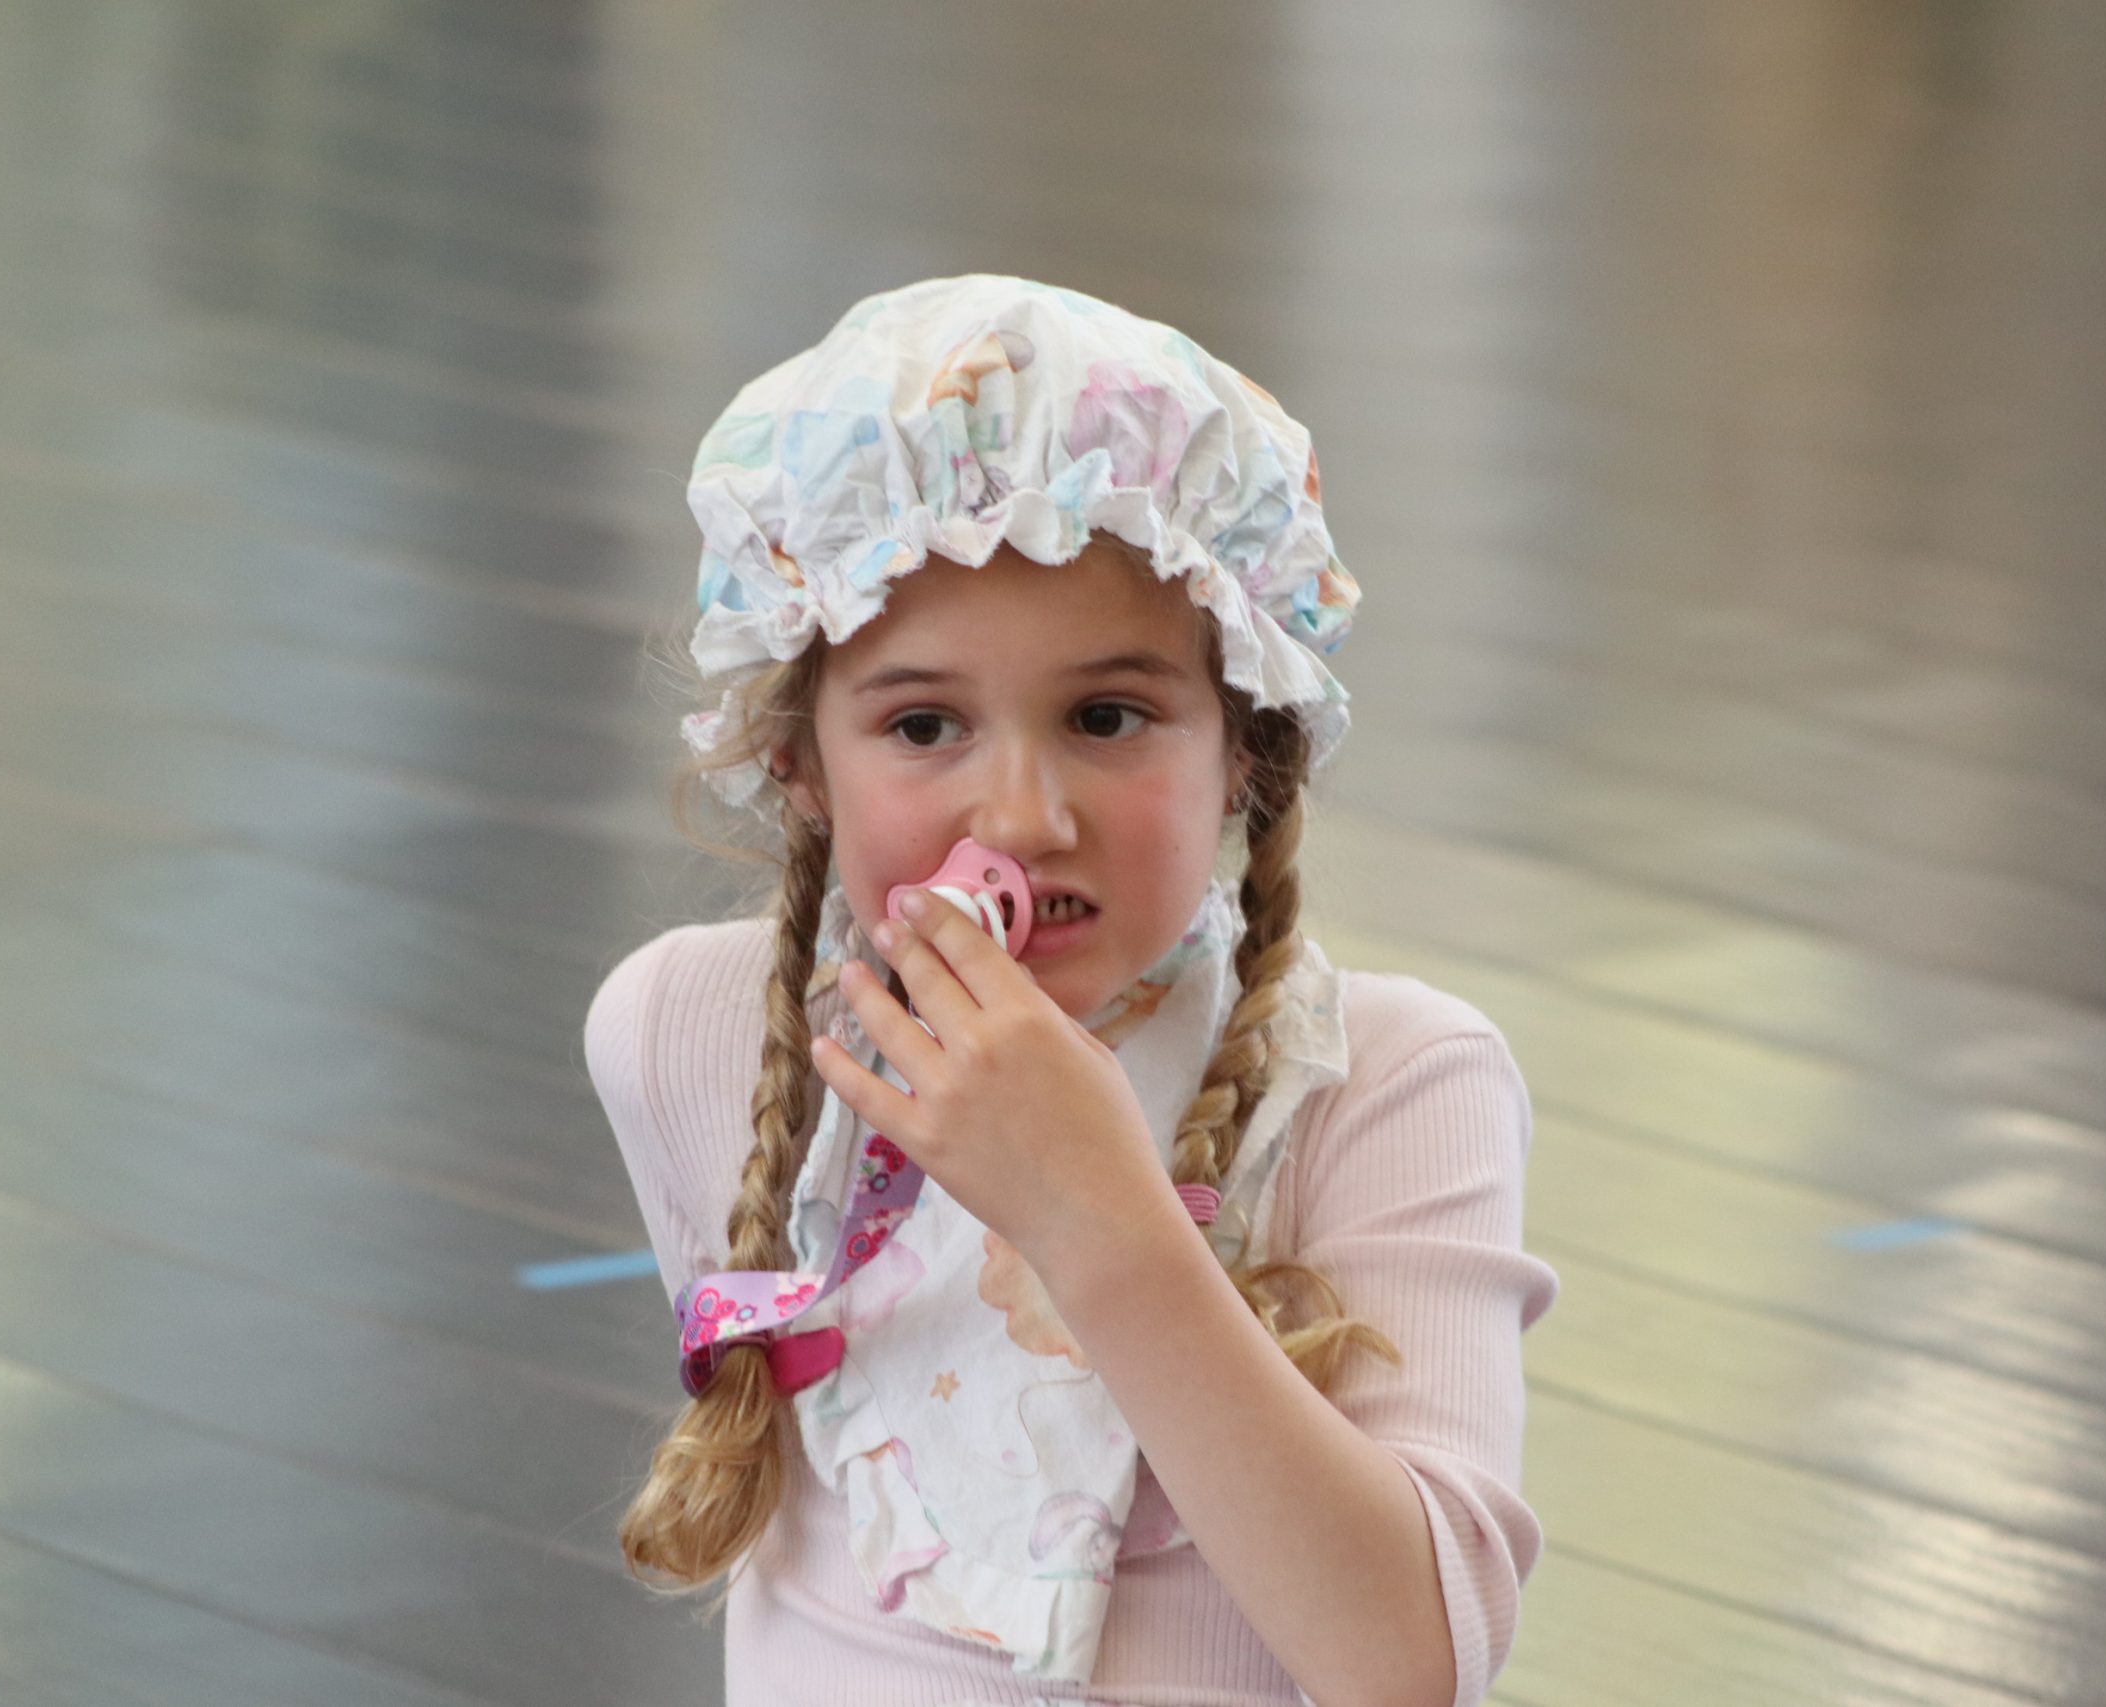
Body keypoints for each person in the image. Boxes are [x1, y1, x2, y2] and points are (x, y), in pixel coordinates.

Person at [583, 274, 1559, 1707]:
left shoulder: (1394, 1081)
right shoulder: (689, 1033)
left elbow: (1407, 1662)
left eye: (1109, 717)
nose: (1025, 818)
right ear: (797, 763)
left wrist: (1092, 1212)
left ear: (1247, 745)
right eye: (925, 724)